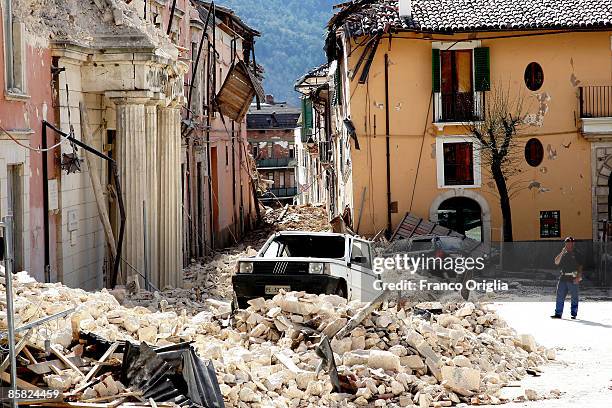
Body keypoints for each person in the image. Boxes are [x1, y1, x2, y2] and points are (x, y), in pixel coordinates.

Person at [551, 237, 582, 319]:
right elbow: (556, 262)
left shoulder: (577, 254)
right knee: (560, 296)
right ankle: (558, 313)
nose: (568, 244)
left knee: (574, 297)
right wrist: (562, 252)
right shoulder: (563, 254)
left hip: (573, 277)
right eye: (566, 243)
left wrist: (578, 277)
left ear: (573, 243)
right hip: (563, 277)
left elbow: (580, 266)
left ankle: (574, 313)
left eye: (570, 243)